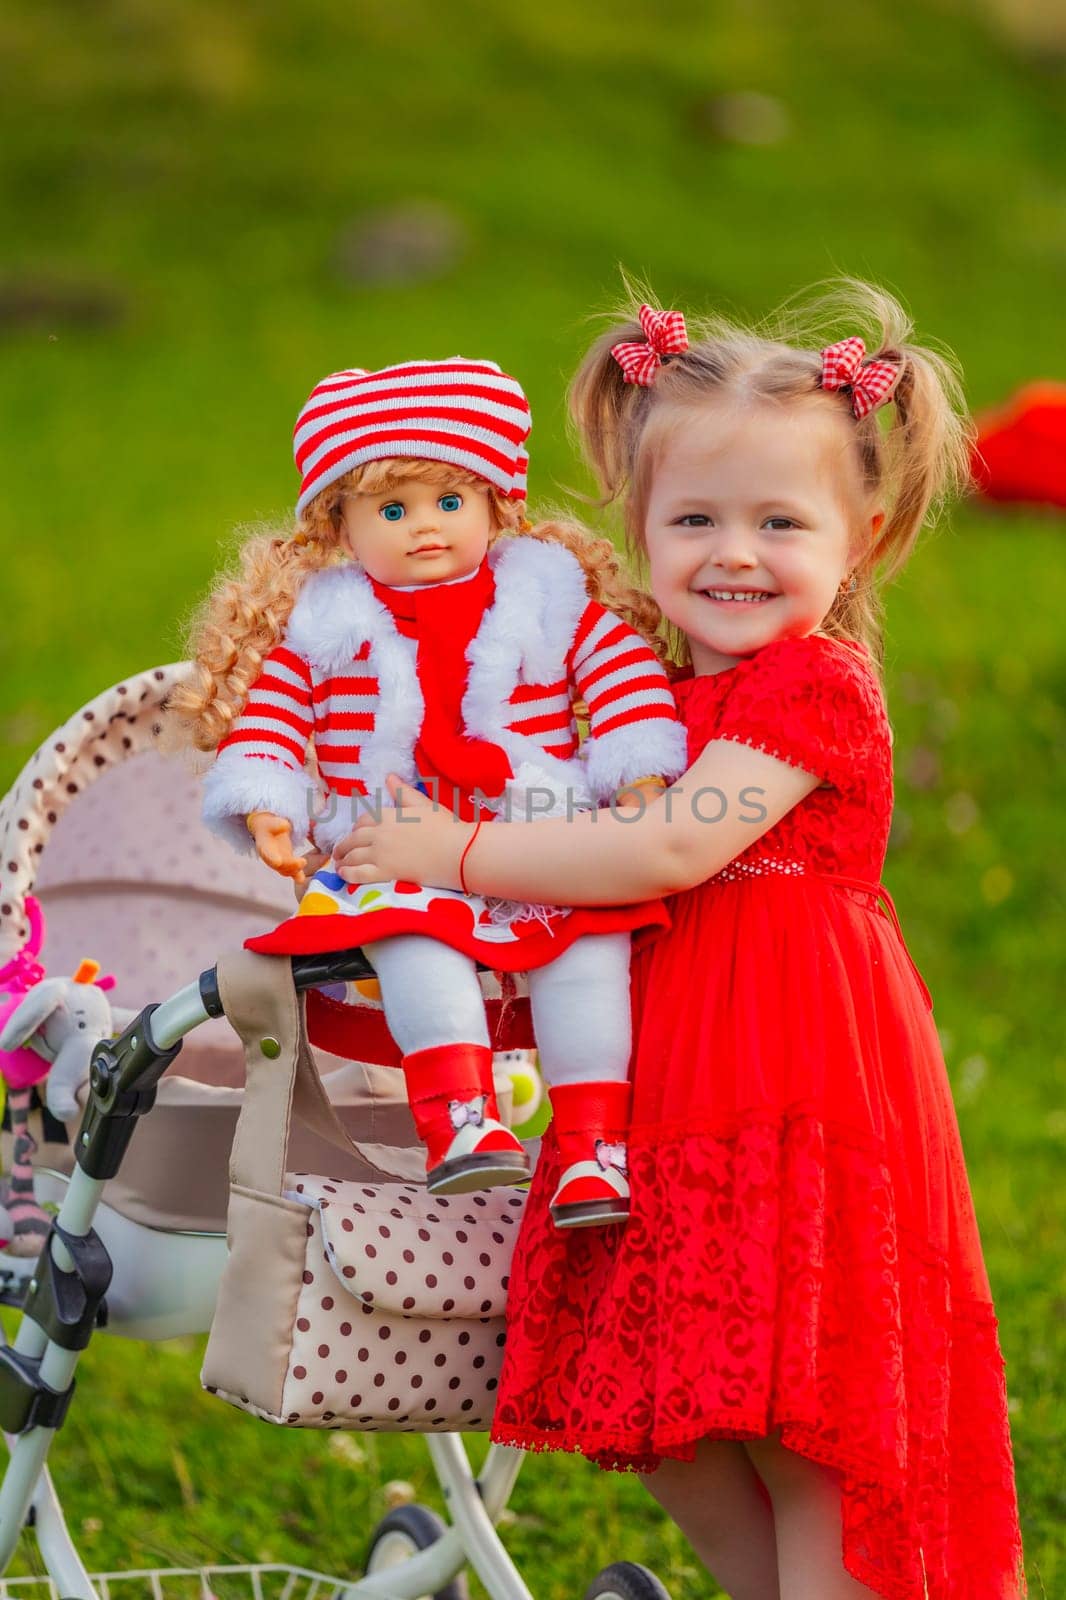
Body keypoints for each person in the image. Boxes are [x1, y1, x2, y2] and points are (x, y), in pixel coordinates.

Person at [335, 288, 1025, 1598]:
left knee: (807, 1418)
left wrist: (456, 855)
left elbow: (664, 851)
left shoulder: (812, 690)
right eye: (693, 520)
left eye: (780, 522)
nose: (733, 555)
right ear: (639, 528)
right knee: (667, 1404)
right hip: (668, 1090)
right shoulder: (655, 704)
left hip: (803, 1084)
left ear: (862, 535)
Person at [168, 355, 686, 1223]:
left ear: (495, 504)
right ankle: (461, 1121)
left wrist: (635, 769)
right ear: (341, 522)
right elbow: (275, 715)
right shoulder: (330, 625)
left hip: (538, 842)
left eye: (450, 502)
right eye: (392, 509)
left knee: (590, 955)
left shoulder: (544, 599)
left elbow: (622, 673)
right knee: (416, 944)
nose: (425, 528)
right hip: (398, 846)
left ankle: (594, 1145)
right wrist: (268, 798)